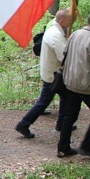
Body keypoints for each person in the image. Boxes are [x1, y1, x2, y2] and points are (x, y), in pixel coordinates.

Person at [57, 11, 90, 159]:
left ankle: (63, 148)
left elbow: (65, 54)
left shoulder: (75, 34)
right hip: (87, 88)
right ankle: (86, 146)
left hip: (70, 83)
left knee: (70, 116)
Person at [15, 9, 72, 138]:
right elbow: (63, 56)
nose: (70, 22)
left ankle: (61, 123)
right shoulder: (56, 35)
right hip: (53, 74)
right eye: (69, 20)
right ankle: (23, 124)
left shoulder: (54, 31)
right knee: (44, 102)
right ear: (62, 21)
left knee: (65, 96)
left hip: (53, 72)